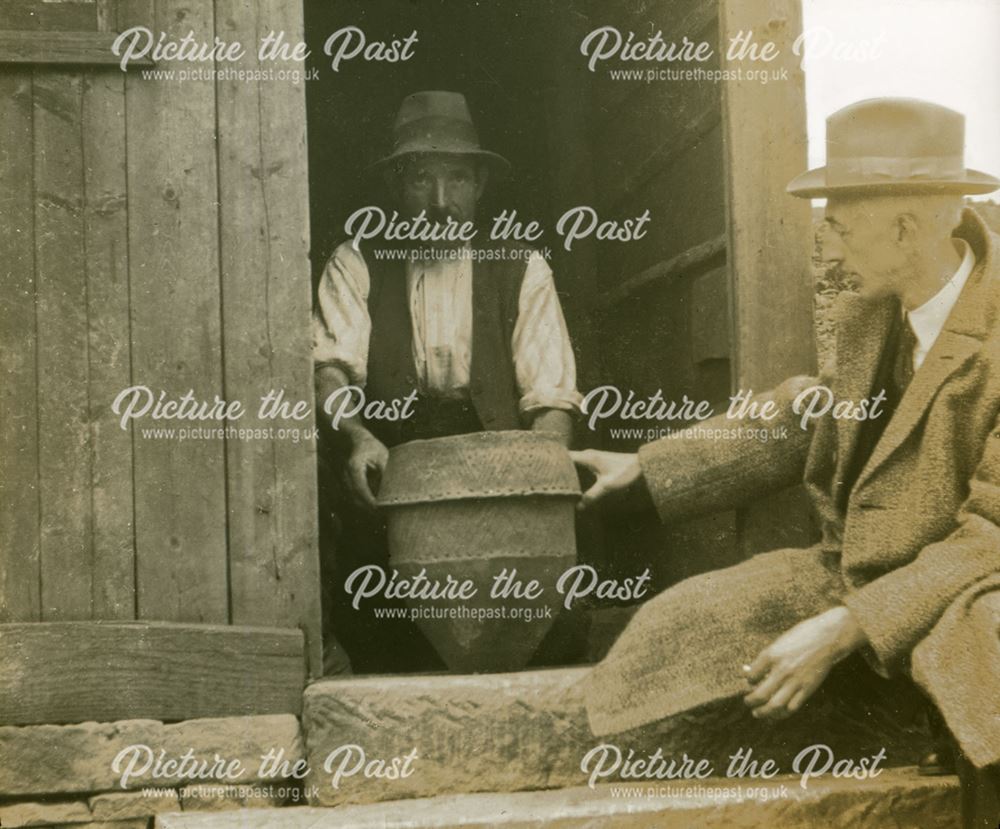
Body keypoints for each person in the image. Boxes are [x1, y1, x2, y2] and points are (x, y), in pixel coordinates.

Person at [572, 98, 1000, 827]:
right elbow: (810, 418)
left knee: (981, 660)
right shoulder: (873, 312)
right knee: (677, 626)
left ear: (904, 226)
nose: (828, 247)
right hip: (851, 569)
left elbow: (989, 531)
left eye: (839, 224)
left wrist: (847, 626)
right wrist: (648, 468)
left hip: (964, 583)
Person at [313, 90, 581, 674]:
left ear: (480, 186)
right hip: (393, 466)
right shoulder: (357, 261)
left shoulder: (520, 266)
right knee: (382, 623)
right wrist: (356, 437)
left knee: (538, 620)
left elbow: (552, 399)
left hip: (494, 462)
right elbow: (330, 369)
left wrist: (537, 477)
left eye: (457, 180)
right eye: (420, 182)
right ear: (395, 188)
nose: (440, 202)